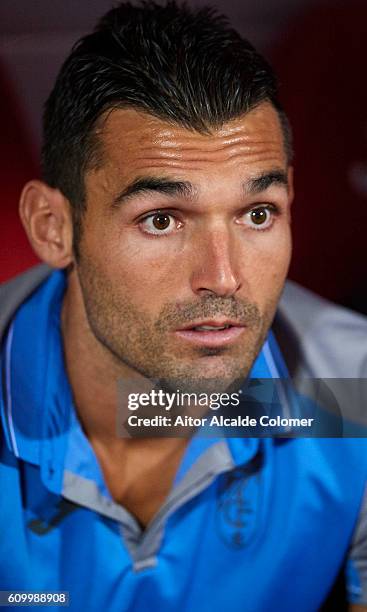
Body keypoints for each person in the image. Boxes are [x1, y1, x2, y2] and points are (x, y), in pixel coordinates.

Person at [1, 2, 367, 610]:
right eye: (162, 219)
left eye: (257, 214)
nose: (224, 278)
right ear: (53, 226)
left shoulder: (353, 393)